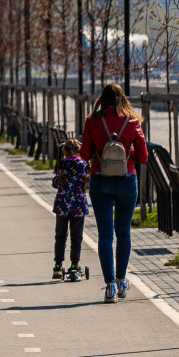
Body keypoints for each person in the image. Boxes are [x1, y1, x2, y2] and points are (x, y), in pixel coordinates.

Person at [79, 83, 148, 303]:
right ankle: (121, 281)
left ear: (102, 99)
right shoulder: (133, 122)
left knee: (105, 235)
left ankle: (109, 286)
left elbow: (84, 154)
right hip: (127, 181)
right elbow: (143, 158)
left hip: (100, 180)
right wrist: (128, 151)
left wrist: (102, 152)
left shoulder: (92, 121)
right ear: (122, 99)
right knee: (124, 233)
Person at [50, 139, 88, 282]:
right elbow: (86, 183)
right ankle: (74, 265)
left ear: (64, 151)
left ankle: (58, 266)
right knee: (76, 237)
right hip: (78, 205)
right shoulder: (83, 164)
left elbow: (55, 182)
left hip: (62, 205)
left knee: (60, 236)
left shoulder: (62, 164)